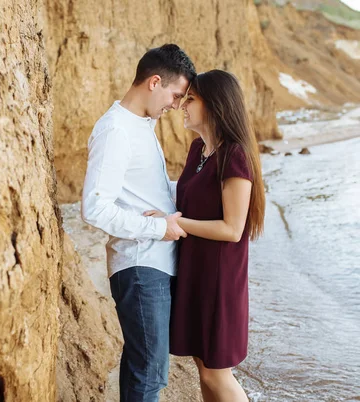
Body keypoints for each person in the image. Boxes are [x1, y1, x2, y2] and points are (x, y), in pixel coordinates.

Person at [81, 44, 196, 401]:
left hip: (152, 263)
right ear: (155, 82)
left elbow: (146, 194)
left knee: (142, 366)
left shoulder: (141, 125)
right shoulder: (116, 129)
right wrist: (159, 228)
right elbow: (95, 208)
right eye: (175, 95)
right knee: (149, 373)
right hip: (139, 264)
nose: (176, 105)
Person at [145, 70, 266, 401]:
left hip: (219, 279)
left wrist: (175, 223)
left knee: (216, 372)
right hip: (195, 274)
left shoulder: (234, 155)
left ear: (214, 106)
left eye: (192, 99)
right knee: (204, 366)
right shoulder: (199, 149)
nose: (183, 105)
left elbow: (233, 228)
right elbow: (185, 198)